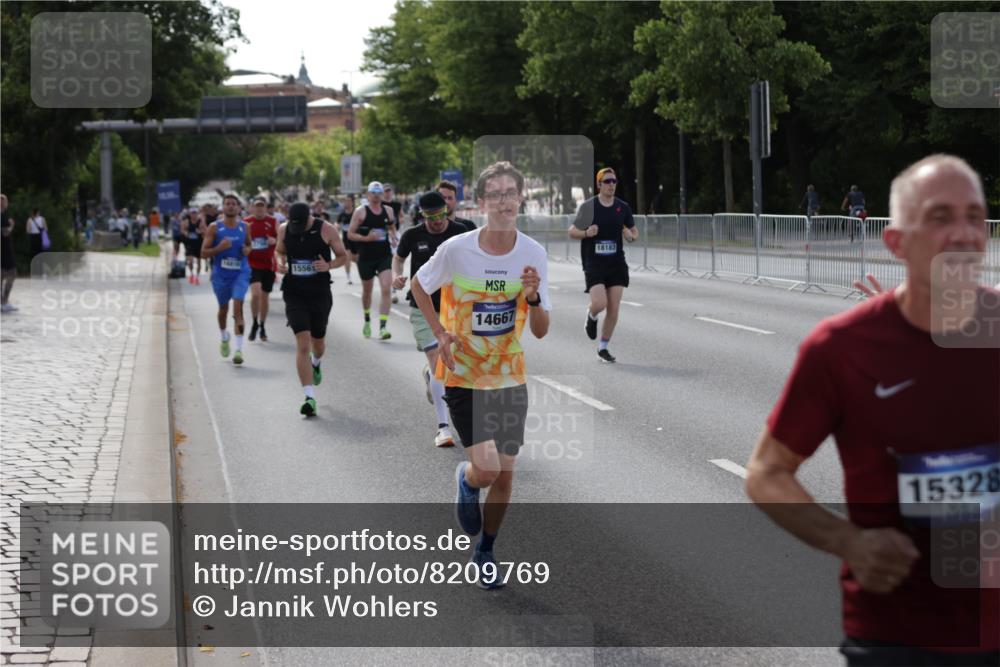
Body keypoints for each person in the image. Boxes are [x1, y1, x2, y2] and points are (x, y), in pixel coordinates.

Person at [746, 155, 999, 666]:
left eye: (975, 216)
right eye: (940, 217)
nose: (965, 233)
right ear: (896, 243)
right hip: (896, 639)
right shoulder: (840, 349)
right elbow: (766, 473)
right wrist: (848, 541)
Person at [411, 161, 551, 589]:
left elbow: (542, 330)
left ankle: (486, 550)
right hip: (466, 375)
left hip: (510, 377)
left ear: (521, 198)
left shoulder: (533, 253)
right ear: (483, 201)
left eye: (511, 192)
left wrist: (534, 297)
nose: (504, 201)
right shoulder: (458, 249)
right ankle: (466, 480)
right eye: (496, 194)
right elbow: (418, 284)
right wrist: (439, 332)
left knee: (506, 475)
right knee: (486, 471)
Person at [393, 191, 468, 448]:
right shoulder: (413, 235)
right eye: (430, 217)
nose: (436, 221)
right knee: (439, 360)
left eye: (440, 215)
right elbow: (399, 257)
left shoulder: (462, 232)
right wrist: (397, 274)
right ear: (422, 215)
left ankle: (434, 380)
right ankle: (443, 427)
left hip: (455, 308)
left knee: (453, 364)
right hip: (423, 308)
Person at [275, 202, 347, 416]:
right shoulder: (284, 229)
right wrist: (280, 263)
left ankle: (316, 363)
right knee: (303, 344)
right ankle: (309, 397)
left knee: (319, 342)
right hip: (294, 292)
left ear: (309, 218)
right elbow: (279, 251)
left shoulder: (327, 230)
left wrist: (329, 266)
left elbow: (343, 256)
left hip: (320, 292)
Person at [568, 167, 638, 363]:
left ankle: (603, 348)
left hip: (616, 263)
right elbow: (572, 231)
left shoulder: (622, 207)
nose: (611, 185)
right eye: (607, 181)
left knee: (614, 309)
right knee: (600, 303)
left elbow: (634, 232)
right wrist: (586, 233)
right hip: (594, 263)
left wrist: (630, 236)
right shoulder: (589, 207)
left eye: (614, 181)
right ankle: (591, 315)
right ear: (599, 185)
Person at [201, 194, 252, 365]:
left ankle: (238, 350)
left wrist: (247, 250)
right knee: (223, 309)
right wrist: (219, 248)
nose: (230, 206)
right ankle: (224, 336)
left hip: (241, 273)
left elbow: (249, 245)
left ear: (239, 208)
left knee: (238, 308)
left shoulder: (245, 227)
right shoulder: (214, 228)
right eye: (227, 204)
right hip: (221, 275)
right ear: (222, 207)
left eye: (233, 204)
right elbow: (203, 253)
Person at [347, 181, 397, 340]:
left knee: (386, 288)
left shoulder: (388, 210)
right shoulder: (360, 212)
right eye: (373, 193)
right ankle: (367, 320)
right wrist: (366, 238)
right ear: (368, 195)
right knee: (367, 291)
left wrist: (394, 236)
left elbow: (391, 227)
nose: (376, 195)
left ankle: (383, 327)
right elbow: (350, 234)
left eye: (378, 193)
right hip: (366, 256)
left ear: (382, 194)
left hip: (384, 255)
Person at [245, 196, 279, 342]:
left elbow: (281, 242)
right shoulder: (246, 223)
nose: (259, 209)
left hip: (268, 265)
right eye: (256, 206)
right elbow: (242, 242)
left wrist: (275, 241)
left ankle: (262, 325)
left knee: (265, 296)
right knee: (256, 293)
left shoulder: (273, 221)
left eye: (262, 206)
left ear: (265, 208)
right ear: (252, 208)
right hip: (252, 264)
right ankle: (253, 323)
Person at [384, 184, 403, 303]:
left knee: (398, 258)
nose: (387, 193)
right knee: (390, 260)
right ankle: (392, 288)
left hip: (396, 234)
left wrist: (400, 220)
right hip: (385, 235)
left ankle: (395, 283)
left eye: (389, 191)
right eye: (385, 191)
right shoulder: (381, 205)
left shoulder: (396, 204)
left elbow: (401, 215)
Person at [1, 195, 17, 313]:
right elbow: (5, 233)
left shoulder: (4, 215)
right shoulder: (2, 216)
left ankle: (3, 301)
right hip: (5, 250)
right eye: (5, 201)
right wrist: (11, 225)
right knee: (12, 274)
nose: (7, 203)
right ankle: (4, 301)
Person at [337, 196, 356, 285]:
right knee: (347, 258)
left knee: (356, 259)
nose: (347, 203)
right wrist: (336, 226)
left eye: (348, 201)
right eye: (345, 201)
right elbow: (337, 223)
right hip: (346, 240)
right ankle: (349, 277)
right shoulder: (342, 214)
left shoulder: (356, 212)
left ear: (352, 202)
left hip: (356, 239)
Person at [181, 212, 204, 284]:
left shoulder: (200, 222)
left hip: (198, 244)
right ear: (190, 215)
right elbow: (182, 229)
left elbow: (205, 231)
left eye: (195, 213)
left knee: (199, 261)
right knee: (190, 261)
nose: (194, 215)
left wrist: (199, 231)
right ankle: (191, 274)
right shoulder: (186, 222)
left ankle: (197, 276)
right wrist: (185, 233)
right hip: (190, 243)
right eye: (192, 213)